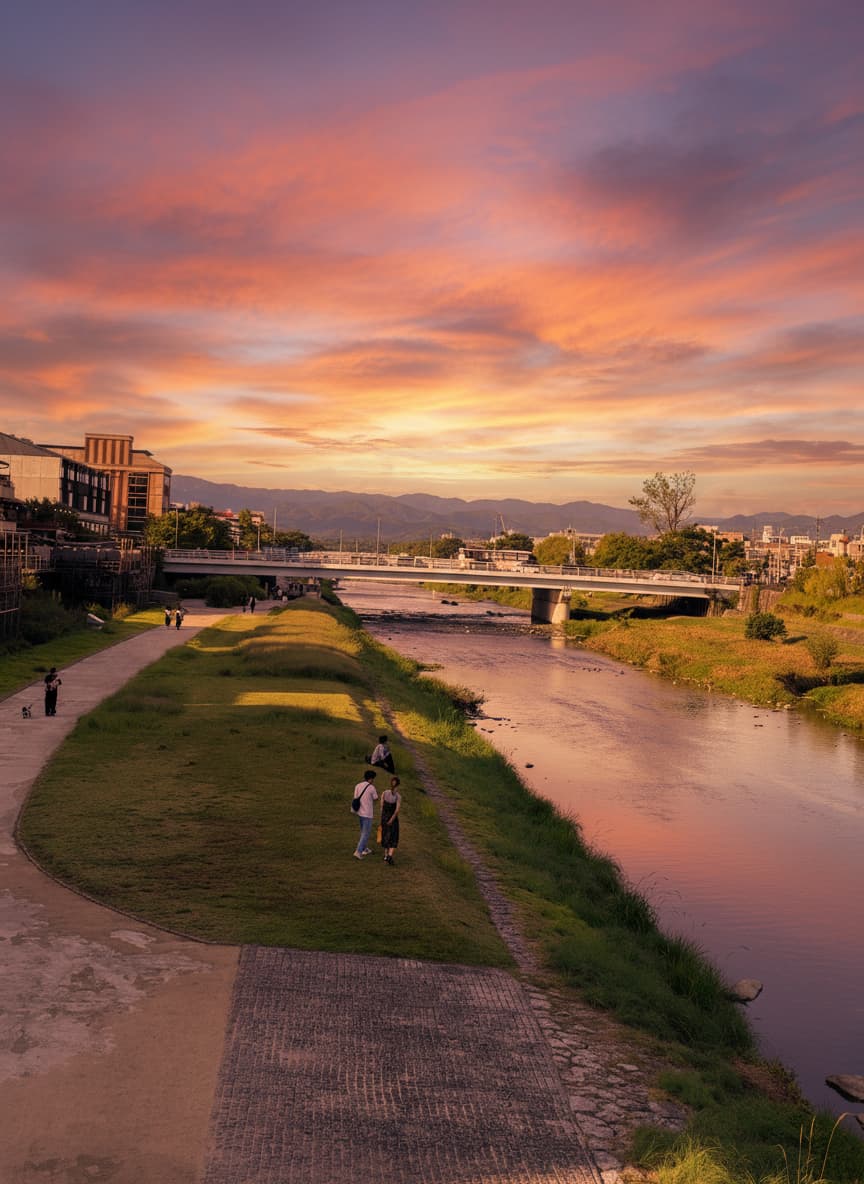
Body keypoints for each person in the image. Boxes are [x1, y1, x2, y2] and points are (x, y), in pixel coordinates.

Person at [351, 770, 378, 860]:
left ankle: (364, 848)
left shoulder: (358, 785)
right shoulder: (371, 788)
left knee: (363, 831)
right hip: (368, 813)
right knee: (365, 834)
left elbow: (355, 797)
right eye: (373, 778)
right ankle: (358, 851)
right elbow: (375, 798)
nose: (373, 780)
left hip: (360, 812)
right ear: (370, 778)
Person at [380, 776, 401, 865]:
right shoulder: (398, 796)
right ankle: (389, 855)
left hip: (384, 817)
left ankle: (385, 855)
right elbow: (396, 811)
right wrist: (391, 820)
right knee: (393, 836)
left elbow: (381, 807)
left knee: (385, 835)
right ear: (398, 785)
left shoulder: (384, 793)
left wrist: (384, 818)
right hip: (392, 819)